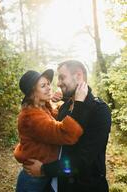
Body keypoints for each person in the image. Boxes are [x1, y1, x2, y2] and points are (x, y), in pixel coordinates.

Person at [24, 60, 111, 192]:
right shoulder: (65, 106)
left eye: (62, 77)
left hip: (84, 187)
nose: (58, 83)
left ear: (78, 75)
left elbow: (84, 160)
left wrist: (43, 169)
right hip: (57, 184)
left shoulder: (99, 110)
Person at [14, 68, 88, 192]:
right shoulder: (31, 116)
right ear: (32, 93)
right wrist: (79, 103)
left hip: (41, 173)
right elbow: (65, 134)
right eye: (43, 86)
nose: (49, 88)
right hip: (33, 180)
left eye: (48, 84)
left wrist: (61, 99)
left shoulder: (40, 108)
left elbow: (54, 118)